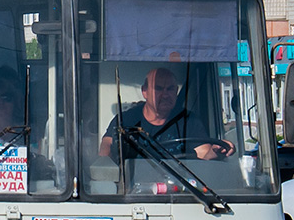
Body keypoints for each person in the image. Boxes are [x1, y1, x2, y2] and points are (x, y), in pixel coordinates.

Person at [99, 66, 233, 162]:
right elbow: (106, 148)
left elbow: (203, 153)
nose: (165, 94)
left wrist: (216, 151)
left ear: (176, 91)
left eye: (170, 89)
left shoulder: (188, 120)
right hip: (134, 191)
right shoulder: (126, 120)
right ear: (144, 92)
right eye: (158, 89)